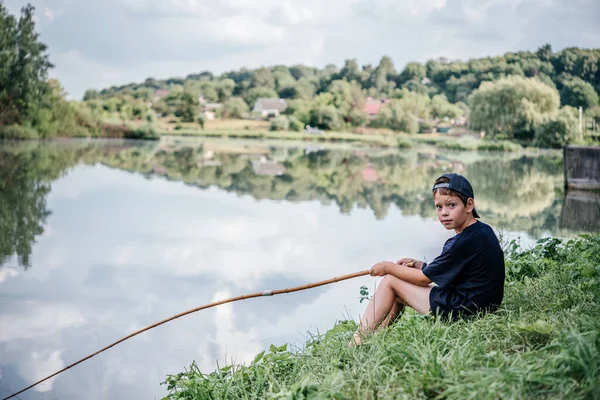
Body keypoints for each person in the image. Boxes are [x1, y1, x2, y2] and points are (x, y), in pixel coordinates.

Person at [351, 173, 505, 346]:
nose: (444, 213)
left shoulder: (462, 242)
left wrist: (387, 267)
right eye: (439, 207)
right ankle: (374, 339)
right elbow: (454, 270)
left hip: (463, 312)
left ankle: (355, 343)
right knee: (398, 290)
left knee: (390, 281)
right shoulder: (481, 231)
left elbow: (423, 280)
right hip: (480, 306)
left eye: (451, 205)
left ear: (469, 205)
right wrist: (421, 265)